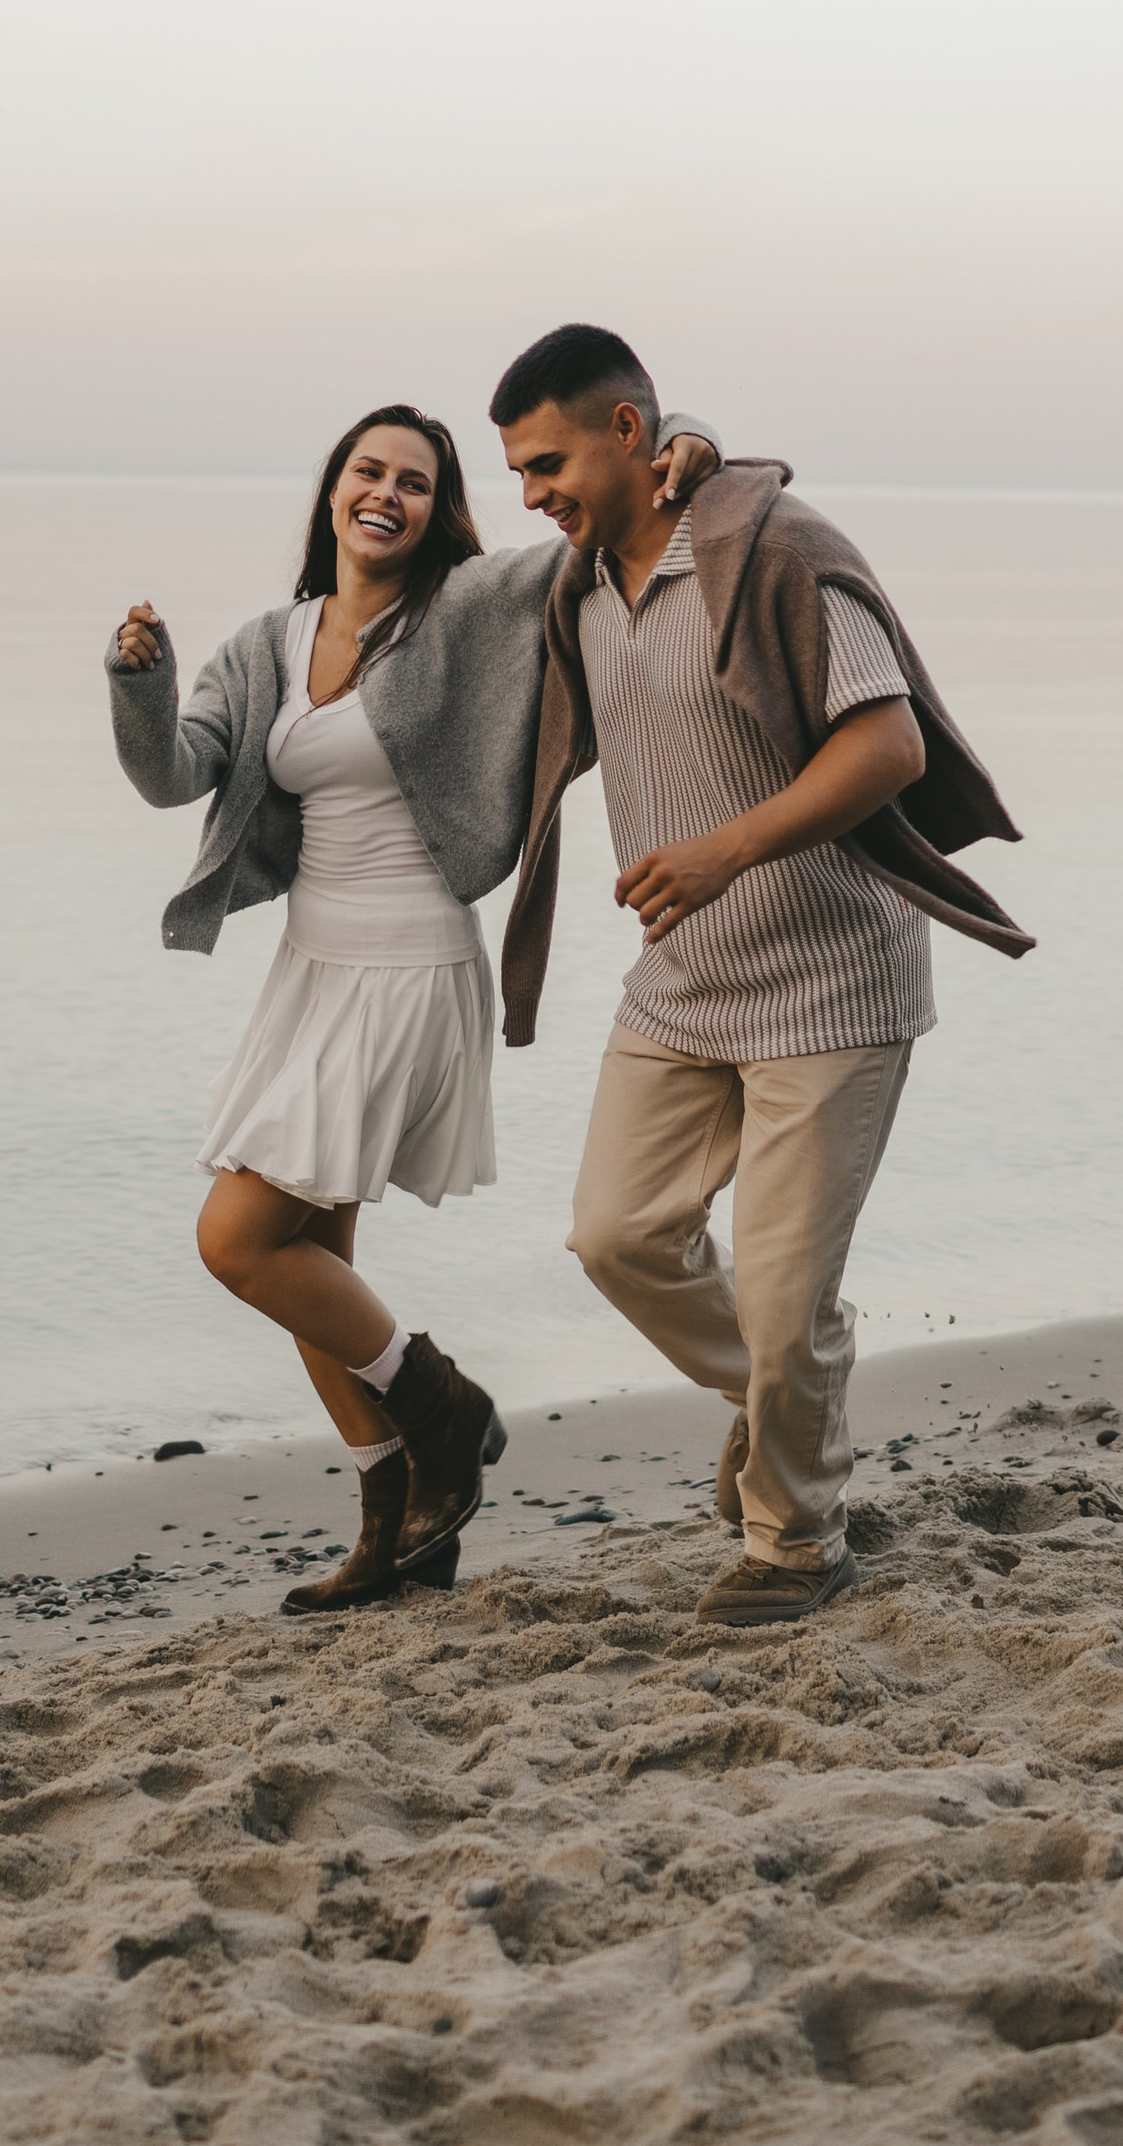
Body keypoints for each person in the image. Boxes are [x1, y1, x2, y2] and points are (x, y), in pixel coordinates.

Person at [106, 393, 718, 1615]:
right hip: (312, 971)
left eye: (417, 483)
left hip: (409, 964)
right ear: (334, 487)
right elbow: (172, 777)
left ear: (438, 514)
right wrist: (141, 680)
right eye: (369, 472)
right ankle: (402, 1528)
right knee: (306, 1259)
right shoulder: (265, 644)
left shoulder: (466, 612)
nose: (388, 494)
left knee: (235, 1241)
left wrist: (680, 442)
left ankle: (448, 1413)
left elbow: (601, 522)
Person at [490, 323, 1031, 1630]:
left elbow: (889, 744)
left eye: (548, 460)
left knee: (789, 1308)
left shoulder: (775, 551)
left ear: (630, 433)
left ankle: (797, 1542)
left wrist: (727, 848)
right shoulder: (573, 584)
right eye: (513, 472)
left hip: (831, 991)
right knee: (617, 1237)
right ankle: (777, 1404)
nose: (531, 495)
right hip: (678, 992)